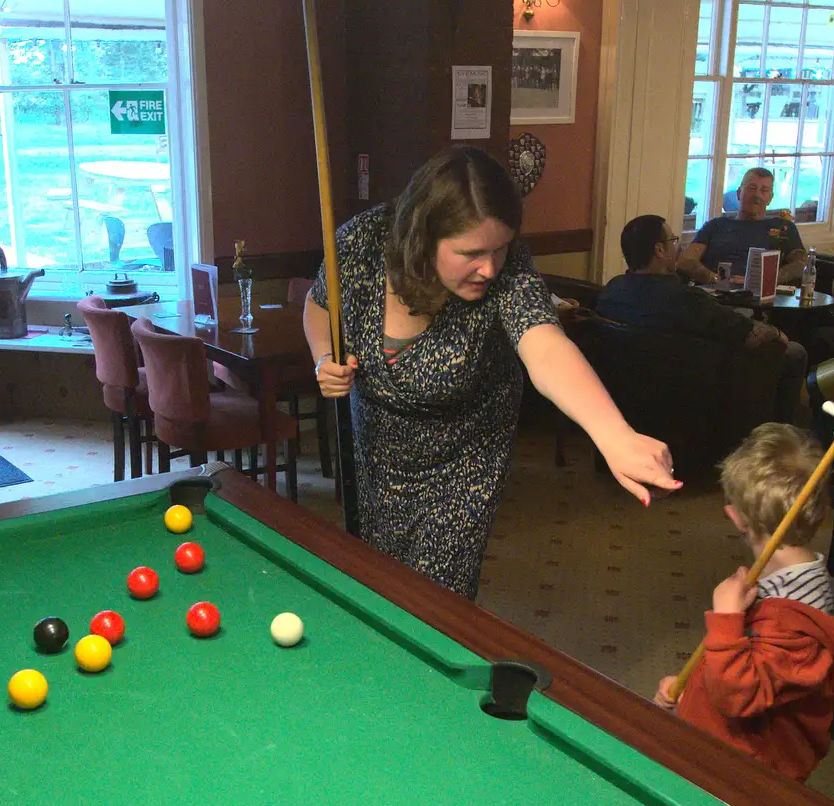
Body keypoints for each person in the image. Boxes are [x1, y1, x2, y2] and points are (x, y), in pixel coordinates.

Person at [306, 146, 680, 598]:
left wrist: (613, 434)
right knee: (379, 581)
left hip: (463, 461)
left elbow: (545, 346)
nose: (489, 267)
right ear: (423, 238)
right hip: (378, 445)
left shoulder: (510, 271)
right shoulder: (362, 240)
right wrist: (324, 357)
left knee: (434, 599)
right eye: (471, 253)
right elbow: (319, 303)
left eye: (500, 249)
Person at [654, 423, 834, 782]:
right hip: (732, 743)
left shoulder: (796, 624)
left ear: (735, 517)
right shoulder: (799, 588)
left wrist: (726, 619)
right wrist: (694, 691)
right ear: (820, 512)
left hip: (743, 775)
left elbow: (738, 697)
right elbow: (751, 671)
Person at [596, 214, 807, 425]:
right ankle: (782, 442)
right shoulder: (688, 300)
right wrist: (779, 334)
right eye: (673, 241)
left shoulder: (611, 292)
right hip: (699, 398)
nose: (676, 247)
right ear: (660, 250)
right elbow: (748, 333)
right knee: (795, 353)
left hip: (628, 400)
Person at [679, 168, 807, 286]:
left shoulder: (783, 227)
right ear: (739, 193)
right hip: (714, 295)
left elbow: (801, 264)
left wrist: (762, 281)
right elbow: (686, 260)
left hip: (760, 298)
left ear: (770, 198)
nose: (757, 195)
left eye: (764, 190)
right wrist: (716, 279)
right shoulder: (715, 225)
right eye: (752, 188)